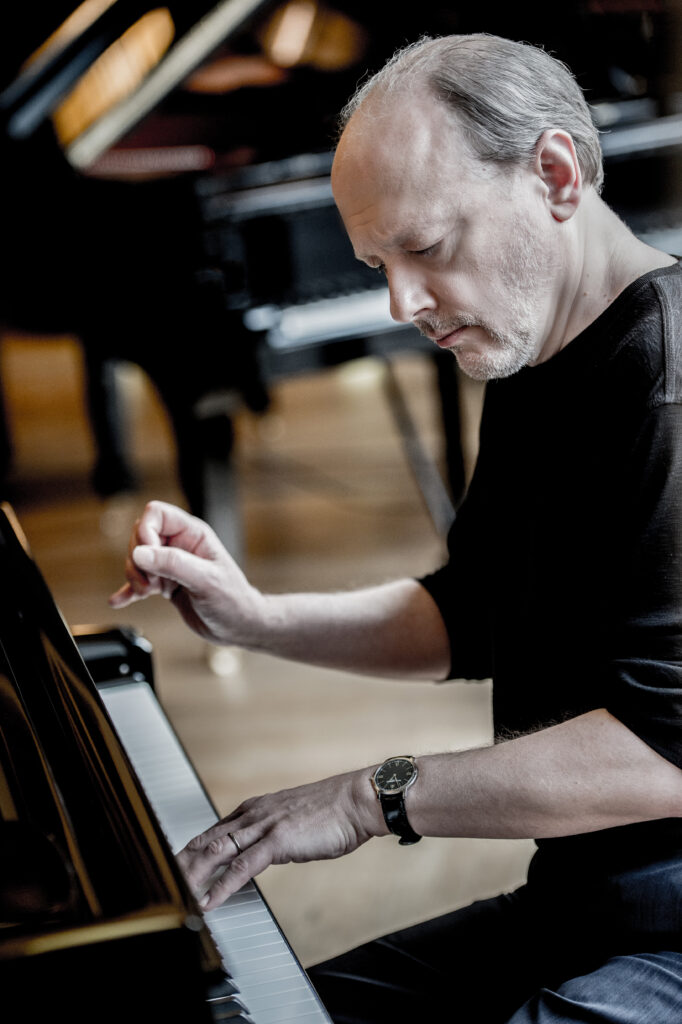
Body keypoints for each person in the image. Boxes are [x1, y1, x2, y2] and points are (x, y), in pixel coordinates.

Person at [109, 33, 682, 1024]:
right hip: (590, 904)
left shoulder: (665, 390)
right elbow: (473, 615)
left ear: (553, 173)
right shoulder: (535, 348)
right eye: (377, 263)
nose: (401, 303)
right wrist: (256, 617)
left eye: (424, 248)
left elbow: (666, 749)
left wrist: (363, 797)